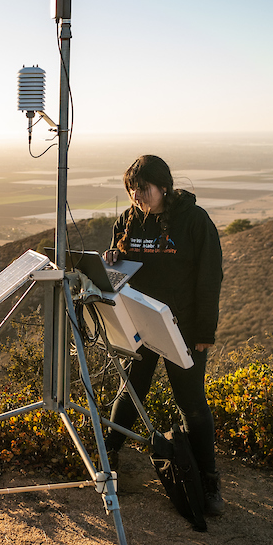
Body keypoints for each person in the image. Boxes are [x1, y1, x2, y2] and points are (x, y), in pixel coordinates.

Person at [102, 155, 225, 516]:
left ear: (164, 186)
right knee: (131, 390)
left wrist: (205, 331)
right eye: (132, 189)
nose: (137, 195)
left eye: (143, 188)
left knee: (191, 402)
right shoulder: (128, 219)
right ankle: (108, 459)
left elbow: (209, 276)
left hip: (183, 326)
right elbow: (124, 267)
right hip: (141, 321)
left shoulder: (193, 220)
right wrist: (112, 259)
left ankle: (209, 479)